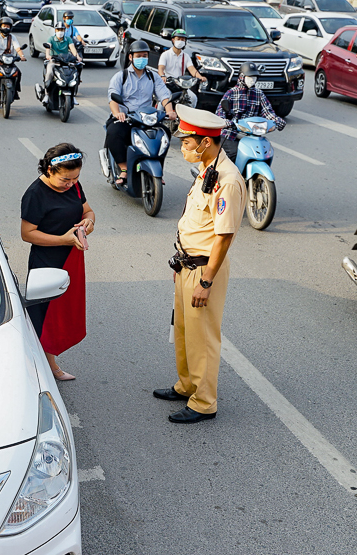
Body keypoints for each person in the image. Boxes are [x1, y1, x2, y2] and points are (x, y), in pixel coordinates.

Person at [155, 106, 247, 424]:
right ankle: (187, 385)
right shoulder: (208, 171)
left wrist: (206, 282)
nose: (183, 148)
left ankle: (204, 402)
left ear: (205, 142)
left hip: (204, 269)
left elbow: (223, 236)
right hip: (186, 265)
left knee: (203, 337)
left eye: (187, 142)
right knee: (183, 331)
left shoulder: (227, 181)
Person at [20, 143, 95, 381]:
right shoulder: (35, 194)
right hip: (46, 261)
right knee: (44, 316)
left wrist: (89, 222)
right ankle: (40, 368)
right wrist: (62, 239)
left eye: (75, 178)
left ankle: (49, 363)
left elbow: (88, 211)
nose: (71, 184)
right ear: (50, 170)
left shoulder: (73, 185)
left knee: (63, 313)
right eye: (66, 179)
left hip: (71, 258)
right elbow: (27, 233)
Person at [105, 40, 177, 186]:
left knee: (164, 134)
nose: (142, 58)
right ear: (131, 57)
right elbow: (112, 97)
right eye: (138, 56)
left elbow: (164, 95)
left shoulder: (153, 76)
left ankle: (158, 168)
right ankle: (124, 168)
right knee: (114, 132)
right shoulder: (121, 76)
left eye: (144, 55)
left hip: (147, 118)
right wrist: (117, 113)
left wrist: (170, 111)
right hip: (126, 118)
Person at [214, 61, 285, 161]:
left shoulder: (259, 94)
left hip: (252, 135)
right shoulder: (231, 93)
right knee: (233, 153)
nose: (252, 80)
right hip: (231, 134)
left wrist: (277, 120)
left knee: (264, 153)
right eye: (249, 77)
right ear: (242, 77)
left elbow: (267, 111)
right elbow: (220, 113)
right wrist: (226, 122)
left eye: (254, 77)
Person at [0, 16, 26, 100]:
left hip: (9, 60)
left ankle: (15, 91)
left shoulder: (12, 37)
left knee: (18, 73)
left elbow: (17, 48)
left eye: (8, 26)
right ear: (0, 26)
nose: (6, 28)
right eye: (4, 26)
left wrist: (22, 56)